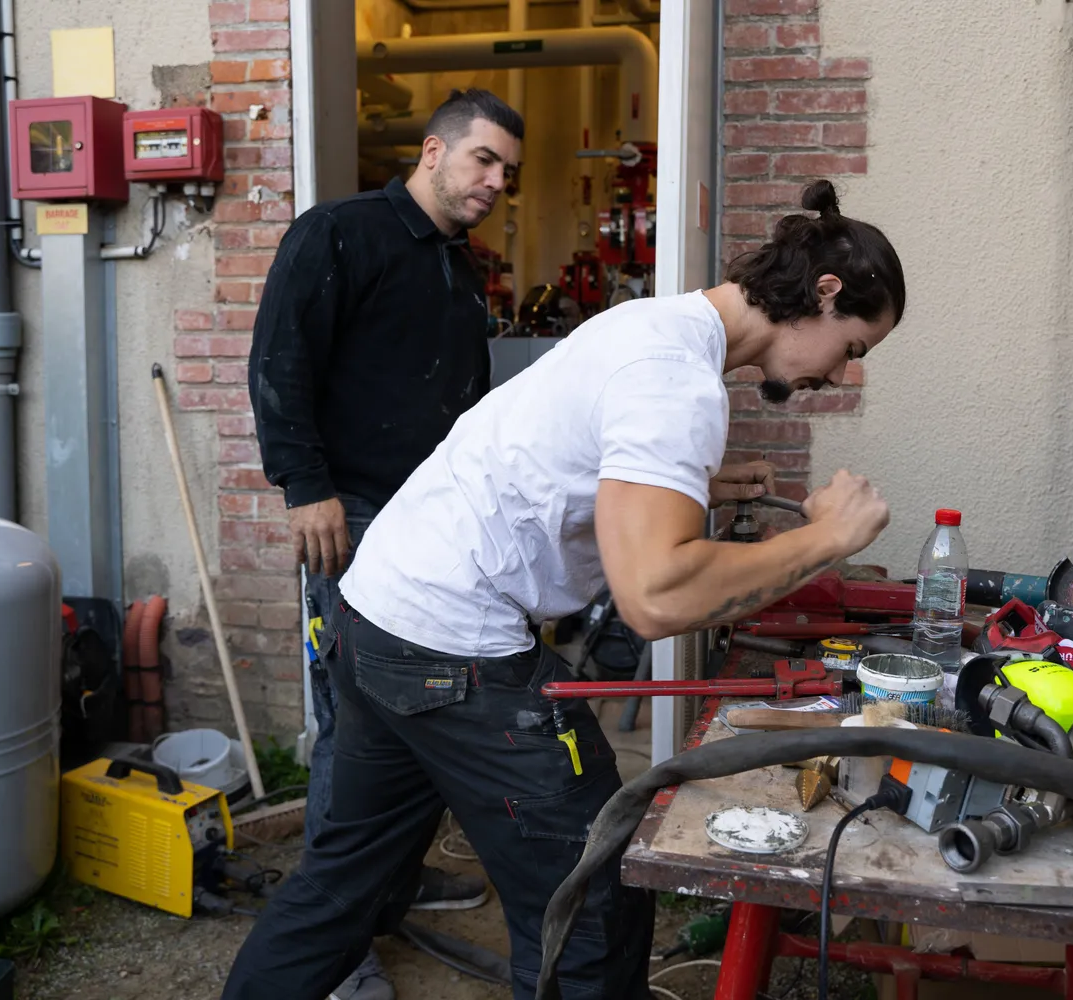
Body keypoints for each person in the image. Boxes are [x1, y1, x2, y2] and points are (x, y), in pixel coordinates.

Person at [224, 178, 905, 1000]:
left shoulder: (657, 324)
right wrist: (826, 538)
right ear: (824, 294)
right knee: (591, 902)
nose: (840, 376)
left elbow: (574, 463)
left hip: (377, 611)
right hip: (451, 643)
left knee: (341, 888)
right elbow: (656, 597)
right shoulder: (677, 383)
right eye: (854, 349)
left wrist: (694, 489)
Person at [246, 88, 524, 1000]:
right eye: (484, 159)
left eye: (507, 172)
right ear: (433, 150)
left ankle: (391, 890)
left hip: (435, 527)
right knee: (355, 727)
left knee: (417, 720)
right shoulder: (342, 233)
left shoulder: (456, 265)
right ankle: (342, 937)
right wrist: (306, 487)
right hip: (353, 518)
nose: (495, 181)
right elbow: (279, 358)